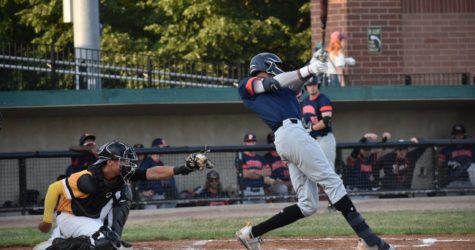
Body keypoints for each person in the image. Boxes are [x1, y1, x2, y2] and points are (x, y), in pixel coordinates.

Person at [235, 52, 394, 250]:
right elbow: (271, 84)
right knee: (333, 182)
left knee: (307, 205)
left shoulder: (286, 89)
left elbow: (295, 83)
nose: (279, 68)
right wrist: (309, 69)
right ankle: (371, 242)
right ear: (266, 66)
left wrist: (313, 66)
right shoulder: (247, 85)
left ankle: (251, 234)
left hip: (292, 137)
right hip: (290, 134)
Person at [34, 141, 209, 250]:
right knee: (104, 243)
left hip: (91, 217)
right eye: (123, 160)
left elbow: (152, 172)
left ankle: (108, 237)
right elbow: (54, 188)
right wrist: (47, 220)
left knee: (123, 195)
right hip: (70, 218)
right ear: (109, 162)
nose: (127, 164)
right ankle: (56, 246)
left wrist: (184, 169)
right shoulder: (86, 179)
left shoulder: (120, 174)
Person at [302, 78, 336, 169]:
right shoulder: (305, 101)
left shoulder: (323, 99)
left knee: (327, 168)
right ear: (306, 87)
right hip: (311, 140)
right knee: (313, 169)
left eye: (314, 84)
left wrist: (310, 129)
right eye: (309, 85)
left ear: (318, 85)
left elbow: (326, 121)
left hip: (324, 138)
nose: (312, 87)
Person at [137, 138, 178, 209]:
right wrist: (142, 192)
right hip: (150, 198)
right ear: (156, 147)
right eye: (163, 147)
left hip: (161, 196)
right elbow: (138, 178)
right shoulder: (147, 162)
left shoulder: (160, 163)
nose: (165, 150)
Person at [236, 133, 270, 204]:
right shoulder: (240, 157)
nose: (251, 144)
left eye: (252, 141)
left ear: (255, 143)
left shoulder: (261, 158)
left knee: (262, 213)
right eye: (248, 142)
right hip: (246, 191)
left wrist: (253, 171)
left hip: (260, 190)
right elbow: (244, 174)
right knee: (246, 214)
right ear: (244, 143)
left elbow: (268, 172)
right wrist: (260, 172)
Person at [437, 124, 475, 189]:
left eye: (461, 134)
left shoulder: (471, 146)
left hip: (469, 181)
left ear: (464, 134)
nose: (458, 136)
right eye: (456, 134)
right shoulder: (447, 149)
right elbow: (439, 164)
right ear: (453, 135)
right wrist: (449, 163)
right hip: (453, 181)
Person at [263, 132, 292, 202]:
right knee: (282, 188)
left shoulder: (286, 156)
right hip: (275, 184)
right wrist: (274, 182)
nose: (274, 144)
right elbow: (265, 178)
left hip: (289, 182)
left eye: (275, 142)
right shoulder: (265, 158)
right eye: (272, 142)